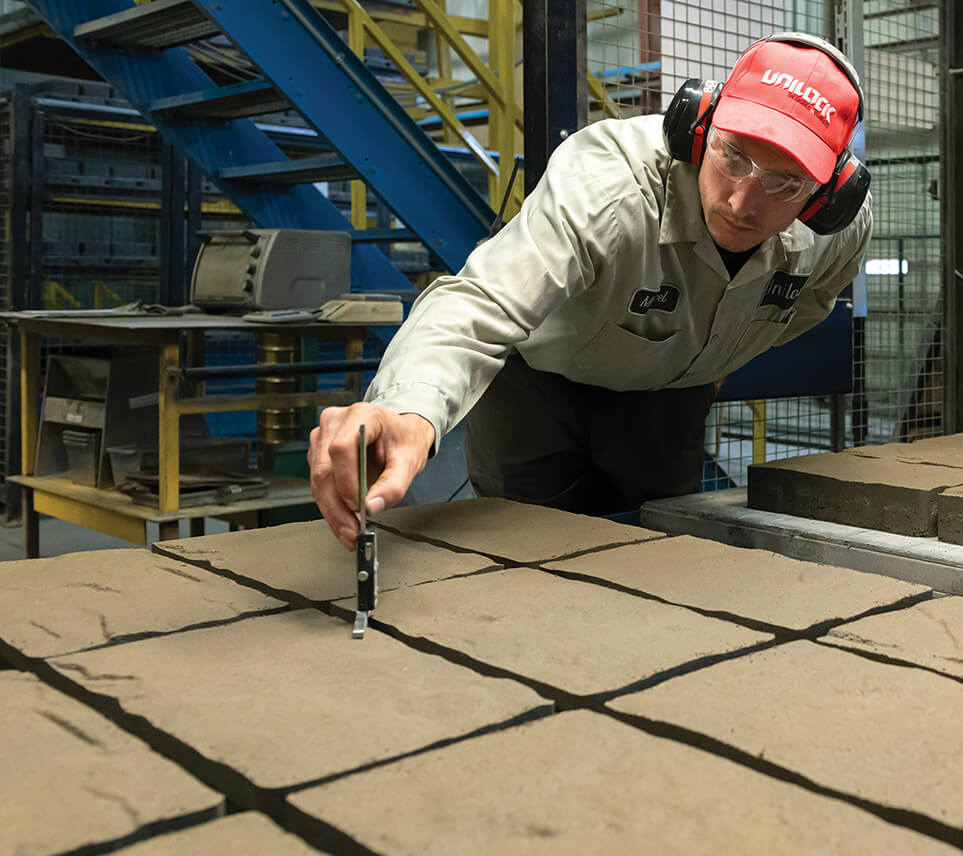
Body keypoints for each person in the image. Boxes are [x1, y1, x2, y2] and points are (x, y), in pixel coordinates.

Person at [308, 33, 873, 550]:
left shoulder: (838, 232)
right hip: (537, 389)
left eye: (784, 183)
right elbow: (481, 301)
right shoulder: (608, 188)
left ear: (830, 193)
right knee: (521, 550)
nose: (741, 202)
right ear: (698, 127)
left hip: (670, 396)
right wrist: (406, 411)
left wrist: (721, 351)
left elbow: (809, 303)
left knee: (661, 551)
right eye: (733, 156)